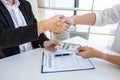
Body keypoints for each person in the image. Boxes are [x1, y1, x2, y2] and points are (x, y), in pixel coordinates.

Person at [0, 0, 69, 58]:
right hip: (9, 62)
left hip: (33, 56)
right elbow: (2, 38)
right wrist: (43, 26)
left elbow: (33, 25)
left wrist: (44, 42)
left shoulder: (25, 4)